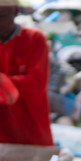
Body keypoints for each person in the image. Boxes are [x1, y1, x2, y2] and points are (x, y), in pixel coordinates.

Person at [0, 0, 53, 146]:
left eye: (2, 16)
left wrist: (3, 82)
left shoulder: (35, 39)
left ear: (16, 11)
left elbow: (36, 83)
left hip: (30, 129)